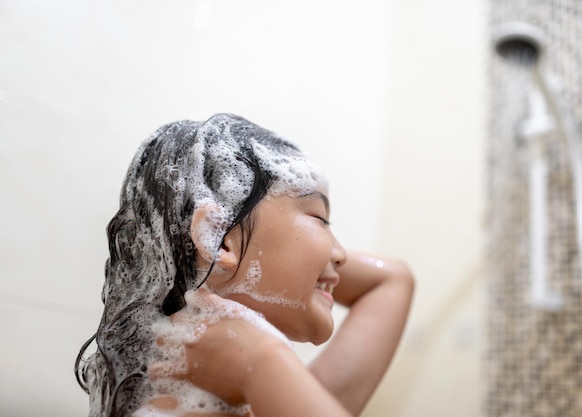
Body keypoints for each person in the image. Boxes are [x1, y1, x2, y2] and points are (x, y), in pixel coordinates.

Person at [75, 113, 415, 417]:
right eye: (320, 218)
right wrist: (262, 360)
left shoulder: (266, 398)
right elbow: (390, 281)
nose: (340, 254)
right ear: (219, 237)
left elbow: (391, 280)